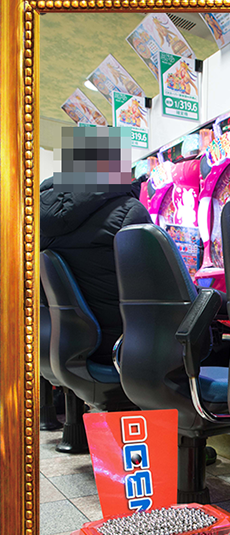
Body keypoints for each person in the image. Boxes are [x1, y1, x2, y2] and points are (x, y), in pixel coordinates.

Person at [40, 126, 153, 366]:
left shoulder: (36, 217)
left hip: (60, 345)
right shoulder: (129, 211)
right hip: (120, 348)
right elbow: (157, 289)